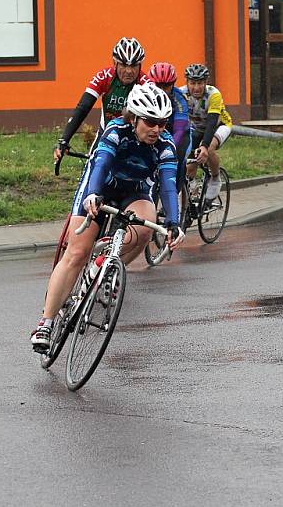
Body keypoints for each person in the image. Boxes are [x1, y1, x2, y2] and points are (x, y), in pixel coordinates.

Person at [31, 84, 184, 353]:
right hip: (99, 187)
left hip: (134, 192)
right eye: (150, 122)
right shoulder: (116, 131)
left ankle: (104, 265)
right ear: (134, 118)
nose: (156, 129)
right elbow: (100, 164)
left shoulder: (165, 146)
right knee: (77, 253)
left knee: (146, 228)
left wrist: (174, 222)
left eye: (161, 123)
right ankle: (46, 322)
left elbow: (169, 186)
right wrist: (92, 195)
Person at [54, 38, 149, 161]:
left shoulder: (146, 84)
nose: (129, 71)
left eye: (134, 66)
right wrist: (64, 140)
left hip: (135, 138)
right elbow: (83, 107)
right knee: (91, 172)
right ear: (115, 63)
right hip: (106, 135)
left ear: (140, 65)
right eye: (124, 65)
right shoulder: (105, 77)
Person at [179, 64, 233, 201]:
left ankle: (215, 178)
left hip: (219, 125)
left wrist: (204, 145)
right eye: (192, 83)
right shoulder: (181, 94)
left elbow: (211, 123)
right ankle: (192, 192)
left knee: (209, 149)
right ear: (187, 82)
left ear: (206, 83)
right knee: (190, 162)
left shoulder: (213, 95)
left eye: (200, 83)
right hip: (196, 128)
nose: (196, 87)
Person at [147, 62, 190, 189]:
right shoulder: (145, 95)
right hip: (156, 130)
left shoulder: (179, 98)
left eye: (166, 86)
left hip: (178, 133)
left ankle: (175, 191)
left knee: (178, 158)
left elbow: (179, 130)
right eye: (158, 85)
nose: (161, 90)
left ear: (173, 84)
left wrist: (169, 150)